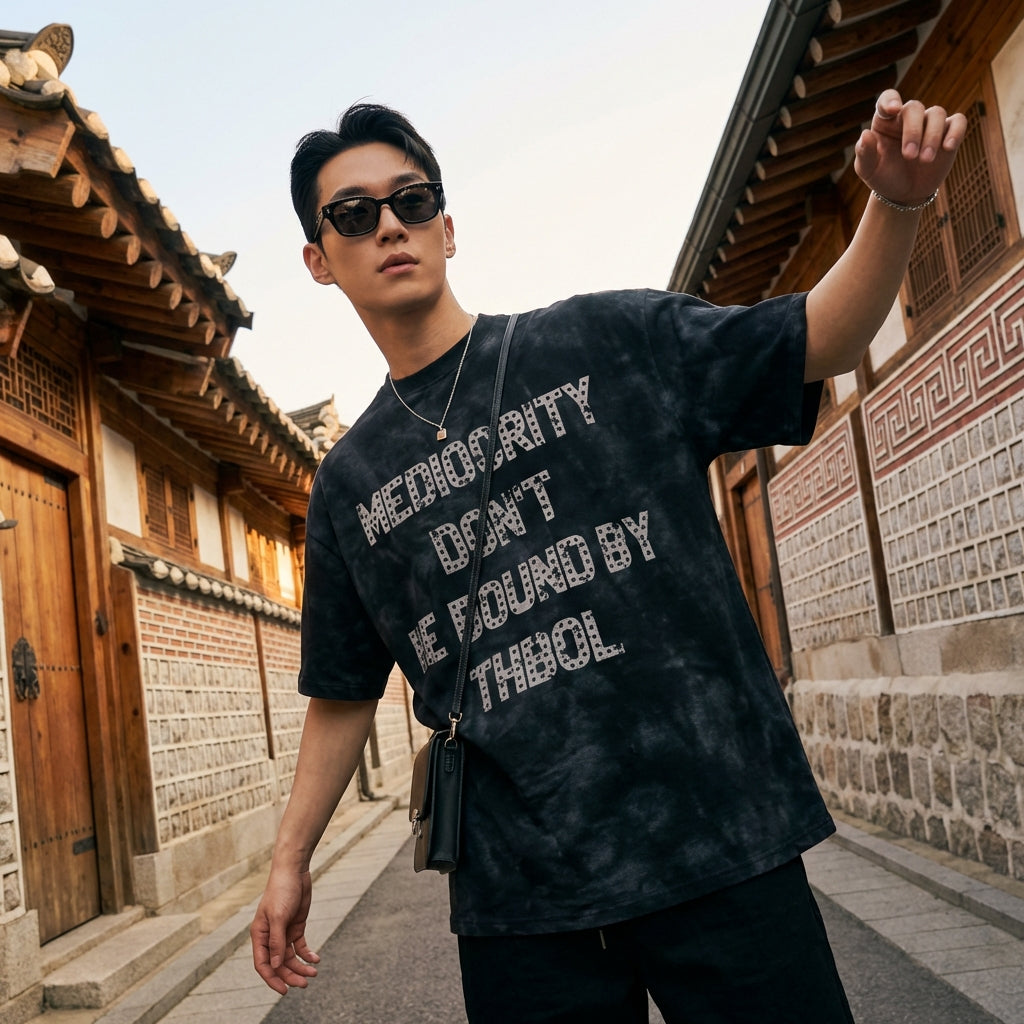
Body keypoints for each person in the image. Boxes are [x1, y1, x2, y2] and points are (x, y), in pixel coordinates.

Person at [250, 89, 965, 1022]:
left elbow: (819, 336)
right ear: (318, 259)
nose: (390, 225)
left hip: (717, 838)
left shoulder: (606, 341)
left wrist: (898, 201)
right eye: (353, 214)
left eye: (412, 201)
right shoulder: (348, 483)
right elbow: (343, 694)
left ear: (447, 228)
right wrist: (291, 859)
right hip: (522, 901)